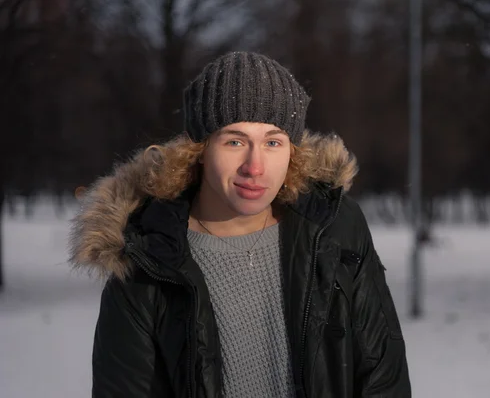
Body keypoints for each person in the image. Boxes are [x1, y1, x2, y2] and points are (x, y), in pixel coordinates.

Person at [69, 51, 411, 398]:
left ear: (293, 151)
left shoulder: (334, 227)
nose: (255, 166)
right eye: (235, 141)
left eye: (273, 142)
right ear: (200, 149)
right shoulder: (145, 258)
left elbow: (383, 375)